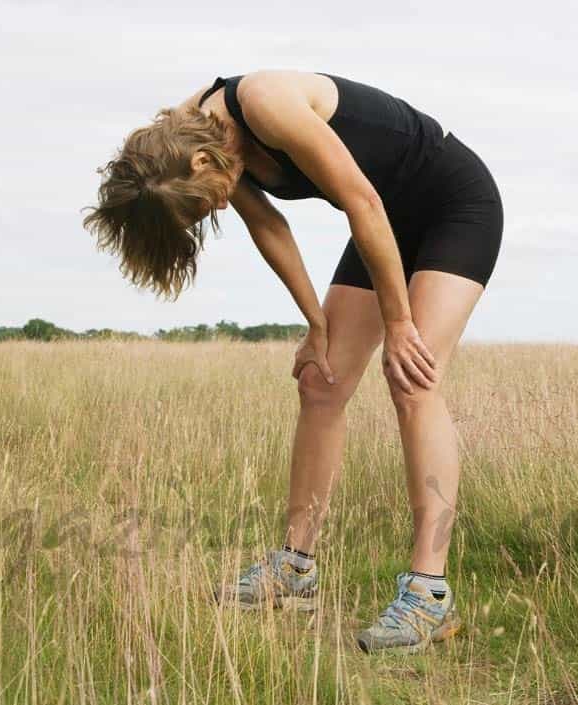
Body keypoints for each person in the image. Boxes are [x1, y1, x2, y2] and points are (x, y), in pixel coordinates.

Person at [82, 69, 503, 654]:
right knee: (320, 381)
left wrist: (401, 323)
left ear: (201, 164)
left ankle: (429, 593)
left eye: (206, 205)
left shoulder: (265, 104)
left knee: (411, 377)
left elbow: (361, 200)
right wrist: (316, 324)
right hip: (384, 219)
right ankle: (294, 568)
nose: (217, 210)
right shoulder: (183, 142)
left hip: (454, 204)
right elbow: (270, 225)